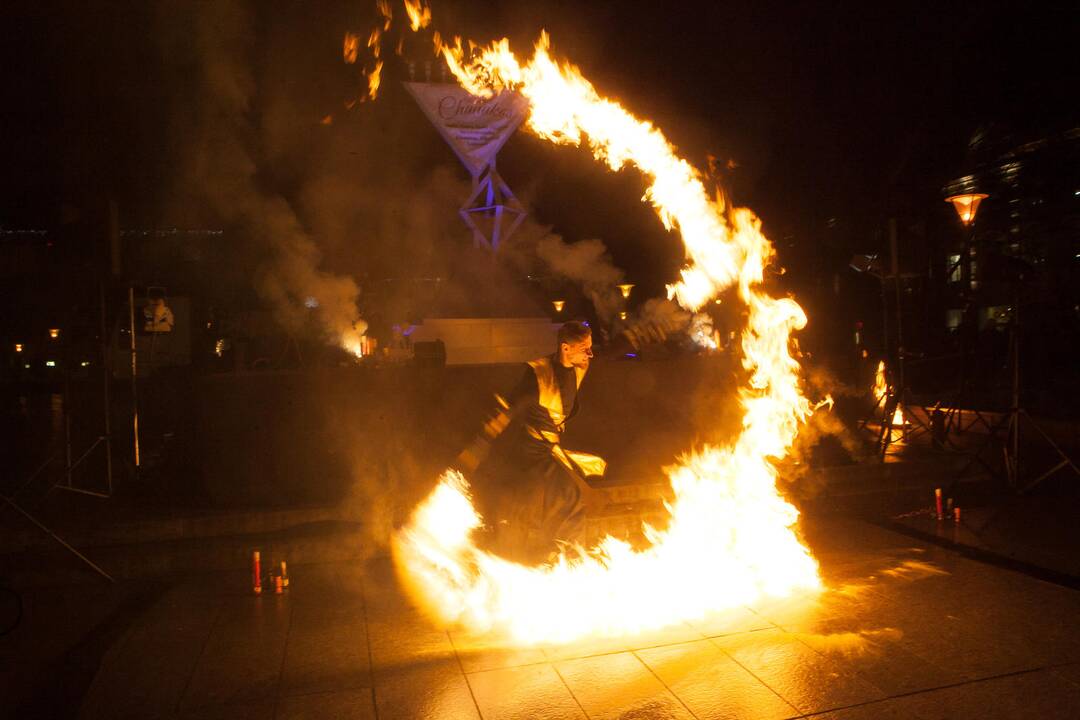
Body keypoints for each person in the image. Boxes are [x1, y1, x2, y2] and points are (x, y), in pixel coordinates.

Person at [460, 320, 608, 563]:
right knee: (539, 501)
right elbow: (513, 406)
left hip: (550, 452)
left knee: (568, 497)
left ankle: (564, 557)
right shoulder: (538, 373)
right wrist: (480, 443)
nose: (590, 353)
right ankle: (517, 558)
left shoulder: (578, 367)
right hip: (529, 454)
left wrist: (638, 335)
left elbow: (611, 351)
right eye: (585, 347)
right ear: (565, 348)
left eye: (590, 347)